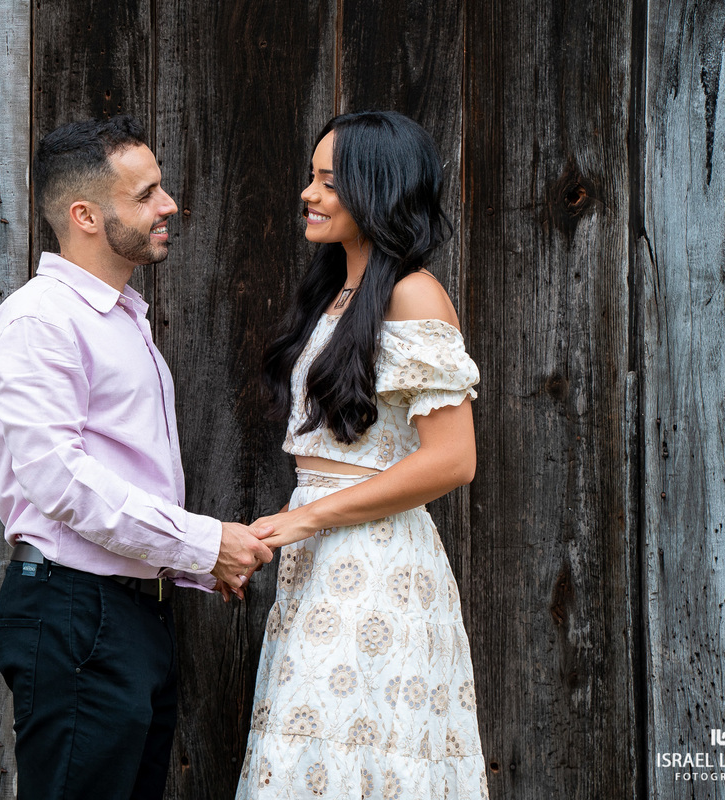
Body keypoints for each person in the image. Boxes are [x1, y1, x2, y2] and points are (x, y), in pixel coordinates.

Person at [0, 115, 273, 800]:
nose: (168, 205)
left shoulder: (120, 316)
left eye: (160, 189)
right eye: (145, 194)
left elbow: (120, 474)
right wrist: (203, 543)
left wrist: (192, 564)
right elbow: (62, 483)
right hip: (77, 617)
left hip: (132, 615)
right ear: (85, 214)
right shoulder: (40, 320)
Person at [235, 111, 489, 799]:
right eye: (310, 178)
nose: (308, 194)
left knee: (366, 748)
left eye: (327, 181)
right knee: (311, 749)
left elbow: (452, 460)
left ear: (375, 189)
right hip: (318, 557)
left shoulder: (413, 293)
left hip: (377, 562)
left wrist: (310, 520)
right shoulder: (332, 292)